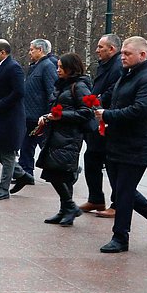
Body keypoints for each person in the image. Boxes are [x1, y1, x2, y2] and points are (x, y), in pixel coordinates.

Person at [94, 36, 147, 253]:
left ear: (142, 55)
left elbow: (139, 111)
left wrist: (107, 115)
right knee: (122, 191)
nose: (122, 57)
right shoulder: (128, 75)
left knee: (124, 192)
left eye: (127, 54)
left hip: (136, 146)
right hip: (117, 143)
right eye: (122, 53)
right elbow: (116, 100)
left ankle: (120, 237)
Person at [35, 53, 94, 225]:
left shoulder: (80, 86)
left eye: (61, 67)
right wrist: (49, 116)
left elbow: (87, 111)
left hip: (69, 136)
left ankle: (69, 207)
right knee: (56, 172)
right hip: (58, 134)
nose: (57, 70)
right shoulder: (63, 85)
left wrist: (60, 116)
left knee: (59, 172)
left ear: (71, 68)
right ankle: (66, 209)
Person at [80, 33, 123, 218]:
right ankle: (96, 198)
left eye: (100, 47)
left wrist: (98, 100)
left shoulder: (118, 66)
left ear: (111, 49)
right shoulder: (105, 65)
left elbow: (115, 89)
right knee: (91, 159)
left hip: (109, 120)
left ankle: (117, 204)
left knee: (112, 165)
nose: (97, 50)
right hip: (97, 119)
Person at [0, 39, 26, 200]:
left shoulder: (14, 68)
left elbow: (18, 92)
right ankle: (21, 174)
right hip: (0, 116)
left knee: (7, 153)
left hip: (10, 117)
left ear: (3, 52)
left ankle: (3, 189)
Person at [18, 38, 58, 183]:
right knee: (27, 145)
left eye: (32, 49)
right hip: (30, 114)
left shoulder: (47, 66)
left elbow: (52, 91)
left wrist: (48, 114)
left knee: (41, 145)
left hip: (38, 115)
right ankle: (25, 172)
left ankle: (61, 170)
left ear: (40, 50)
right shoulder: (36, 66)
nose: (30, 52)